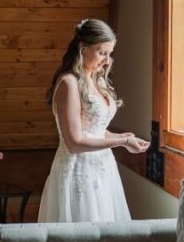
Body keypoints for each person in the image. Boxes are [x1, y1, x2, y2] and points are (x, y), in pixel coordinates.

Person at [37, 19, 148, 223]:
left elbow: (94, 129)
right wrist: (122, 142)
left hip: (103, 169)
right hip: (79, 172)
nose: (107, 60)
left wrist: (120, 137)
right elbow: (74, 143)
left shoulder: (96, 80)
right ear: (83, 49)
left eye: (110, 53)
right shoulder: (69, 84)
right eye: (102, 52)